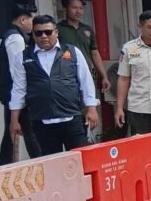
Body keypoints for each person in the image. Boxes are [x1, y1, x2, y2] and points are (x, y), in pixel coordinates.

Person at [9, 15, 99, 155]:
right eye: (38, 33)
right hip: (42, 121)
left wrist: (91, 109)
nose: (44, 36)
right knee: (50, 164)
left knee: (80, 160)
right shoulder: (23, 57)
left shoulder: (73, 52)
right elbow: (18, 90)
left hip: (72, 118)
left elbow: (86, 82)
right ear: (33, 34)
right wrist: (14, 120)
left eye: (48, 32)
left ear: (56, 33)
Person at [0, 3, 42, 164]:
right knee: (30, 132)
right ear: (23, 20)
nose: (35, 25)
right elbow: (18, 69)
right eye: (33, 20)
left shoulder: (7, 35)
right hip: (17, 93)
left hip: (10, 92)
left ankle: (5, 166)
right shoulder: (16, 38)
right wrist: (24, 93)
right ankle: (41, 164)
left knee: (12, 133)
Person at [56, 0, 111, 95]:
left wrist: (104, 76)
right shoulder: (57, 29)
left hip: (87, 73)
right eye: (74, 8)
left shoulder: (87, 29)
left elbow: (94, 53)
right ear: (65, 9)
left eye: (81, 8)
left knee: (89, 100)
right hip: (67, 75)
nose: (78, 11)